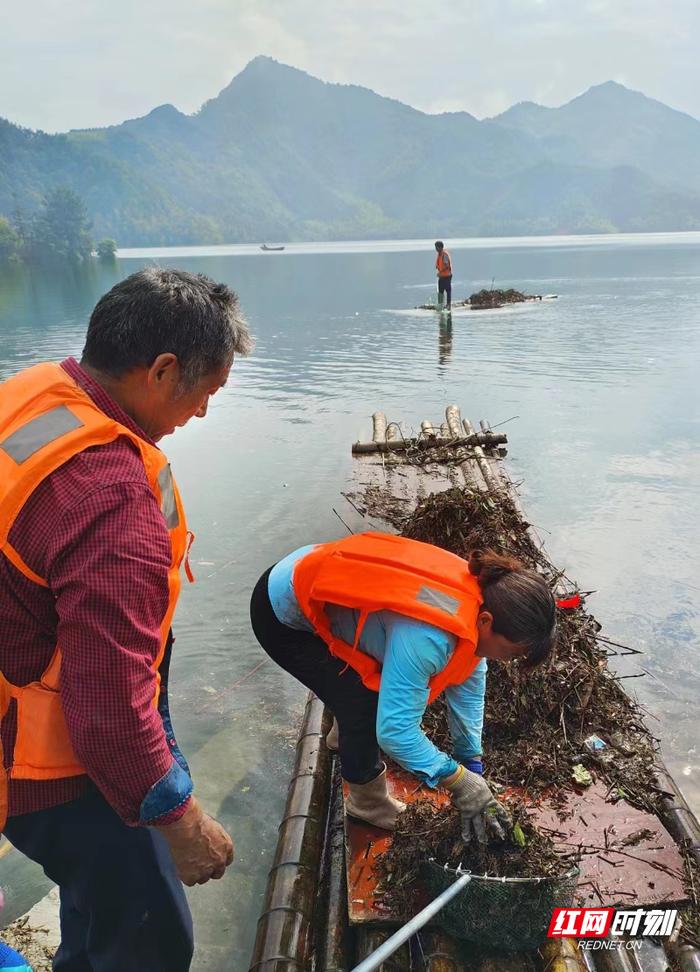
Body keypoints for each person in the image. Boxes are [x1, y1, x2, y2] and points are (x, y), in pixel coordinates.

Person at [0, 268, 252, 971]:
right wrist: (181, 822)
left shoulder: (33, 397)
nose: (201, 413)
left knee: (95, 909)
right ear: (164, 371)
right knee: (150, 940)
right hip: (46, 764)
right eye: (208, 392)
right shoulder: (111, 501)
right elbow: (109, 709)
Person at [250, 532, 557, 844]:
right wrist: (458, 780)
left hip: (317, 572)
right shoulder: (430, 639)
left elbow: (468, 687)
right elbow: (395, 732)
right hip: (282, 610)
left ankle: (344, 737)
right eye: (512, 652)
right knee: (364, 704)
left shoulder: (478, 611)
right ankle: (366, 803)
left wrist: (471, 763)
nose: (509, 660)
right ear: (487, 621)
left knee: (369, 687)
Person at [435, 240, 453, 311]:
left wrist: (440, 272)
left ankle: (448, 305)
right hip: (441, 276)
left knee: (448, 290)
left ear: (440, 247)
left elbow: (447, 266)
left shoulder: (444, 254)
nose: (435, 249)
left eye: (436, 247)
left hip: (447, 276)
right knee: (440, 291)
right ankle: (440, 305)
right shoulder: (439, 254)